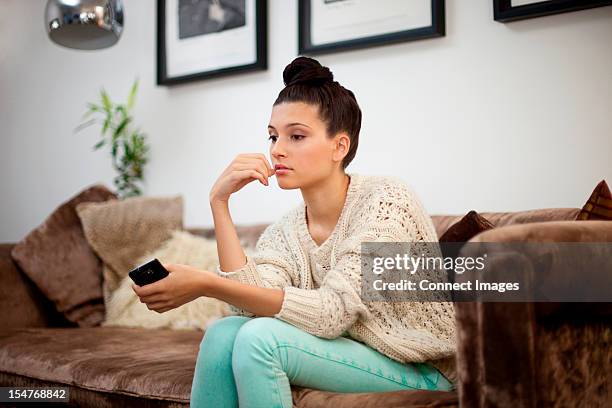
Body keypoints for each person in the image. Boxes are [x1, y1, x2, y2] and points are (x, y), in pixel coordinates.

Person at [132, 56, 457, 408]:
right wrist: (219, 202)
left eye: (296, 136)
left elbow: (333, 311)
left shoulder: (388, 201)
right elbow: (247, 308)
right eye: (273, 136)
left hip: (422, 368)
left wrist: (206, 284)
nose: (277, 150)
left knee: (261, 340)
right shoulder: (286, 230)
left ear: (339, 146)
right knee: (222, 333)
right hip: (351, 354)